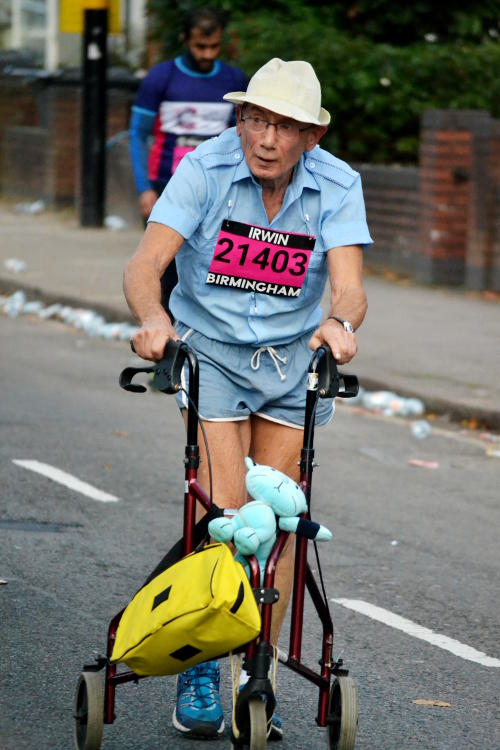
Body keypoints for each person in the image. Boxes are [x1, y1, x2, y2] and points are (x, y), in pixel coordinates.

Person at [124, 57, 372, 740]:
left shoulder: (338, 184)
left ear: (311, 137)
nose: (266, 138)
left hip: (293, 364)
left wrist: (341, 324)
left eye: (285, 127)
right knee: (231, 515)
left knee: (280, 523)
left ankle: (255, 668)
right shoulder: (205, 170)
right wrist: (154, 320)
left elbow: (349, 284)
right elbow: (146, 264)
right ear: (240, 118)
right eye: (256, 119)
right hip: (211, 358)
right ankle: (202, 662)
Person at [129, 7, 246, 319]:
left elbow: (244, 139)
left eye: (214, 46)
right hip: (166, 190)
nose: (207, 54)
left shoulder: (234, 80)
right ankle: (164, 357)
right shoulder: (161, 78)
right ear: (185, 40)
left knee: (213, 276)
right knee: (166, 276)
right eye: (199, 46)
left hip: (218, 194)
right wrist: (144, 189)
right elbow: (138, 136)